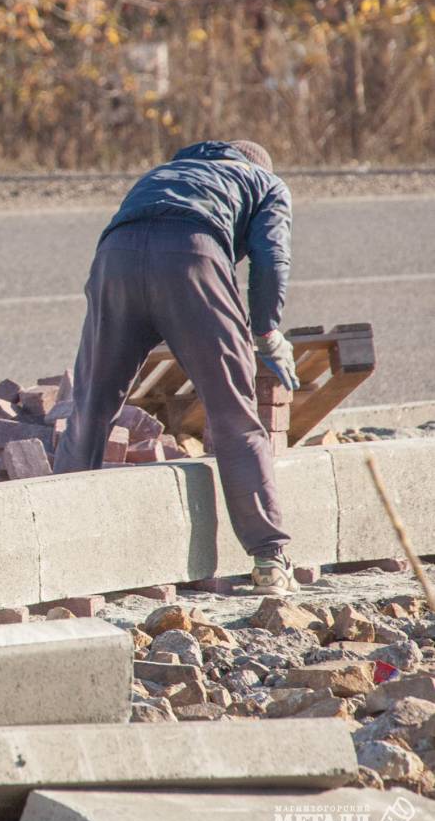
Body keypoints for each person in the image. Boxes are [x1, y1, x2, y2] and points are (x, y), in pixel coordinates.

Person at [52, 140, 301, 594]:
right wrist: (266, 332)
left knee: (91, 405)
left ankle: (60, 551)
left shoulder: (166, 171)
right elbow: (270, 258)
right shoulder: (266, 182)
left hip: (115, 260)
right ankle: (269, 558)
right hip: (193, 257)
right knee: (233, 414)